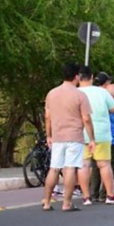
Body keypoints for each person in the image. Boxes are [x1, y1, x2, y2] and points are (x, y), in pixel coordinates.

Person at [42, 63, 94, 212]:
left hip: (58, 136)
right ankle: (66, 203)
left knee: (54, 168)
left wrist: (49, 135)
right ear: (76, 76)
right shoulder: (80, 94)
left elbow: (47, 116)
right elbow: (86, 119)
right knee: (70, 168)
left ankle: (46, 202)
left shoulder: (51, 94)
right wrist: (91, 138)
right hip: (74, 136)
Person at [77, 67, 114, 206]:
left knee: (84, 165)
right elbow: (113, 108)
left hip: (80, 133)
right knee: (104, 165)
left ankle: (86, 197)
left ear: (78, 78)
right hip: (101, 133)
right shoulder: (102, 92)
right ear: (91, 77)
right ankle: (109, 195)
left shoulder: (76, 92)